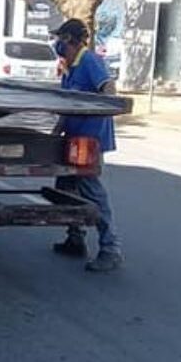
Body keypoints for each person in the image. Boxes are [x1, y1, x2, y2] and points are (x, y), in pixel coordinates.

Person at [49, 18, 124, 273]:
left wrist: (96, 113)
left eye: (60, 38)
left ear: (69, 39)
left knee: (92, 192)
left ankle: (110, 249)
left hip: (89, 141)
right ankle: (75, 237)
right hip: (73, 137)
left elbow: (109, 90)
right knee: (66, 187)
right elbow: (66, 105)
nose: (57, 43)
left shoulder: (89, 61)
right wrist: (56, 131)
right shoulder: (70, 67)